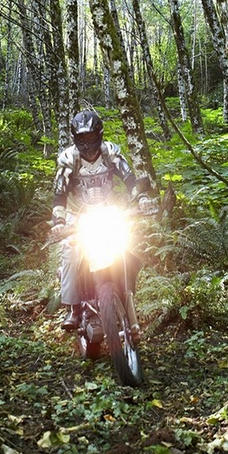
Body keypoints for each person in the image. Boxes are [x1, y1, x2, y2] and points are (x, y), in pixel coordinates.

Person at [50, 110, 149, 330]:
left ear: (99, 135)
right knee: (70, 252)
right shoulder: (69, 160)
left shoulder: (110, 153)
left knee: (126, 248)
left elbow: (129, 178)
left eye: (91, 138)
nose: (87, 145)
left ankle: (125, 295)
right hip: (78, 216)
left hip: (109, 211)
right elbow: (59, 194)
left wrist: (141, 197)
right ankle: (73, 308)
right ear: (75, 139)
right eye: (81, 139)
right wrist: (58, 221)